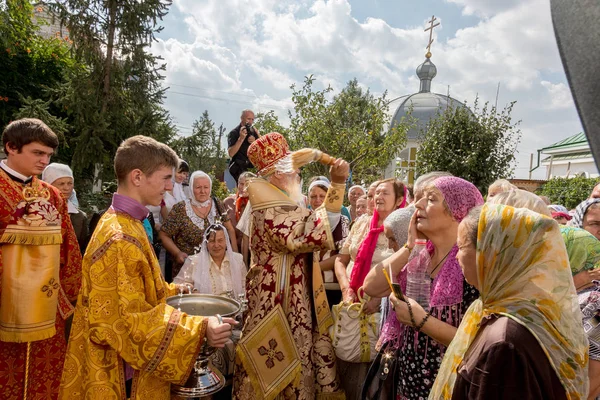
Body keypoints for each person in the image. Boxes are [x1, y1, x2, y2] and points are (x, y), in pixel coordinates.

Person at [59, 135, 234, 400]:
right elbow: (128, 323)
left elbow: (135, 290)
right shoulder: (119, 237)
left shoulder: (128, 221)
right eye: (165, 178)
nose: (170, 186)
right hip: (120, 372)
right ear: (137, 176)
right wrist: (199, 328)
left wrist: (175, 290)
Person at [427, 203, 589, 400]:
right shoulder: (525, 312)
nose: (457, 256)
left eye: (461, 247)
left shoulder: (505, 341)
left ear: (490, 255)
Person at [232, 132, 347, 399]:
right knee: (278, 369)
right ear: (277, 174)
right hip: (279, 303)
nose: (297, 173)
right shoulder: (272, 207)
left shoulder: (279, 202)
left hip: (286, 294)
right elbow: (312, 234)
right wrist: (338, 184)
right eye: (292, 168)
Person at [363, 176, 483, 399]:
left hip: (447, 386)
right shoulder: (421, 256)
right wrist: (409, 246)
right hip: (406, 384)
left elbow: (478, 343)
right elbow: (370, 286)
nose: (417, 205)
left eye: (431, 199)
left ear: (459, 209)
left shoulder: (471, 265)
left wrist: (421, 321)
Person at [0, 118, 82, 400]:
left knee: (44, 379)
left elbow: (68, 249)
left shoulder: (53, 196)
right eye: (38, 153)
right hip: (4, 303)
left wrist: (73, 295)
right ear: (11, 147)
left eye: (48, 155)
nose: (44, 161)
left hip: (47, 307)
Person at [333, 178, 405, 399]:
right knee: (347, 364)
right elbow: (341, 260)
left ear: (400, 199)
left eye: (385, 193)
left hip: (383, 310)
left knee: (375, 375)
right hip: (353, 303)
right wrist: (346, 288)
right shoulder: (362, 224)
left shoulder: (401, 227)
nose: (378, 198)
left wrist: (380, 299)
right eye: (375, 194)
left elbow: (407, 270)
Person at [159, 170, 238, 281]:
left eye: (206, 187)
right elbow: (164, 235)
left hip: (214, 268)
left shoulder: (217, 204)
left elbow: (230, 229)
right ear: (191, 188)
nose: (202, 191)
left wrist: (234, 256)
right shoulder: (180, 209)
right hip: (188, 269)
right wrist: (177, 253)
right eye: (198, 187)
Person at [308, 178, 350, 308]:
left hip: (330, 285)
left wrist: (315, 268)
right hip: (307, 283)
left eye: (322, 196)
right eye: (313, 196)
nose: (317, 200)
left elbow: (343, 255)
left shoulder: (341, 221)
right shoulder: (304, 219)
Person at [174, 223, 246, 297]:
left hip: (234, 307)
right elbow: (176, 287)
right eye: (212, 241)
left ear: (227, 242)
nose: (216, 245)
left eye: (220, 240)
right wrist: (190, 291)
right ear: (206, 243)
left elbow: (245, 288)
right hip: (204, 307)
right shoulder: (193, 261)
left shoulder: (237, 260)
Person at [41, 162, 89, 254]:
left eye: (70, 183)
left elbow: (82, 249)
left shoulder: (80, 217)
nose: (66, 188)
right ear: (49, 186)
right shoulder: (37, 211)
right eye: (61, 184)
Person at [227, 109, 260, 183]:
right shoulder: (234, 133)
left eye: (252, 119)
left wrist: (255, 142)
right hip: (238, 167)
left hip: (251, 166)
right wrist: (241, 139)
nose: (250, 122)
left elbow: (262, 148)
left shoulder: (253, 131)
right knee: (245, 186)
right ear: (242, 118)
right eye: (248, 119)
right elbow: (231, 153)